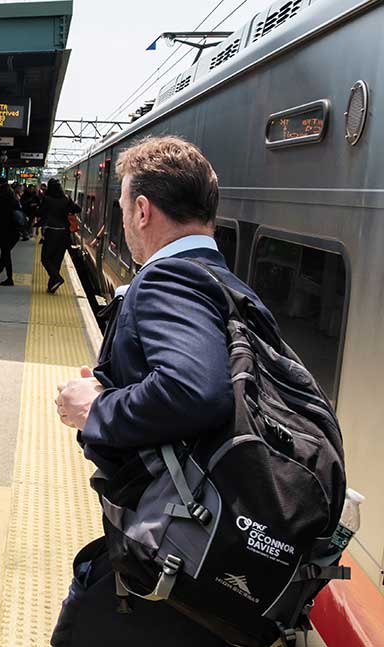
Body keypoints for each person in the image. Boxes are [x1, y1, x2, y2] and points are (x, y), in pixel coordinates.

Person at [51, 136, 274, 647]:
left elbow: (193, 391)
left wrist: (97, 408)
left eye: (125, 208)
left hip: (176, 554)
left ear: (144, 210)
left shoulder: (166, 279)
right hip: (214, 538)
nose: (124, 221)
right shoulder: (231, 287)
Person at [38, 178, 80, 293]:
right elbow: (77, 209)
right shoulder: (66, 199)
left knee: (45, 258)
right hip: (64, 234)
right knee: (57, 260)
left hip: (52, 232)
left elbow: (40, 213)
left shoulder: (47, 199)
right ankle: (51, 287)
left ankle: (57, 278)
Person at [0, 183, 21, 285]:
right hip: (15, 233)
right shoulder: (15, 203)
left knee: (6, 254)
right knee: (5, 253)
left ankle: (9, 278)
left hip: (3, 233)